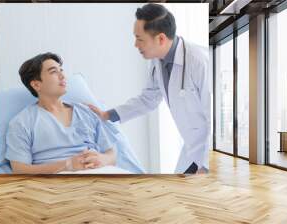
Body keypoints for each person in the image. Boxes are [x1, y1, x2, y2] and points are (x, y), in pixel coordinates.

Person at [88, 3, 210, 174]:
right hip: (191, 150)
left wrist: (205, 166)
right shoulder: (158, 60)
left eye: (140, 39)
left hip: (207, 153)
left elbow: (212, 118)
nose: (135, 45)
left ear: (160, 39)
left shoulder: (199, 61)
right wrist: (107, 115)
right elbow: (148, 100)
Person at [6, 52, 117, 174]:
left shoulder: (86, 111)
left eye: (61, 70)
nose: (62, 76)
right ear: (36, 84)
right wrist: (67, 165)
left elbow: (111, 153)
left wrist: (103, 159)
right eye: (54, 71)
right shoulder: (22, 122)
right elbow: (19, 170)